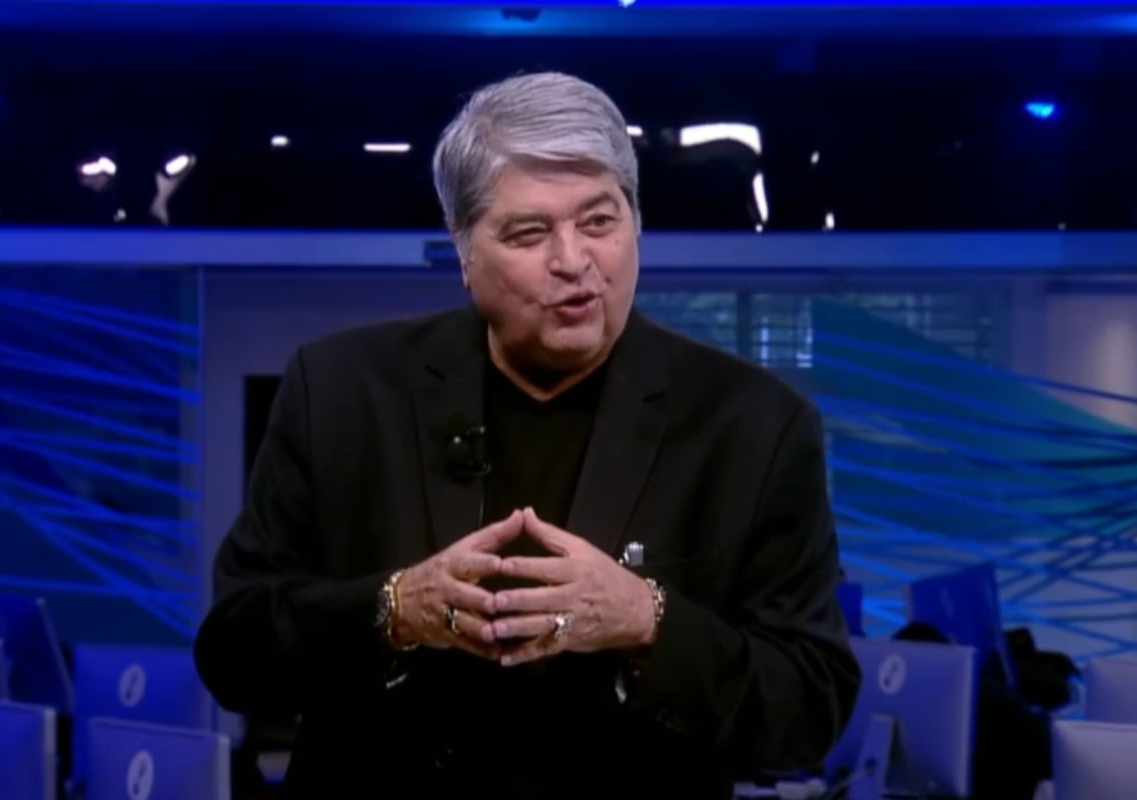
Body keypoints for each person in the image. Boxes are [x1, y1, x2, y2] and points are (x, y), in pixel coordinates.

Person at [194, 71, 860, 799]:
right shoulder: (340, 393)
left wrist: (647, 621)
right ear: (464, 252)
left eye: (598, 222)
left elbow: (810, 706)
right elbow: (233, 651)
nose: (573, 262)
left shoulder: (754, 425)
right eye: (530, 232)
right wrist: (395, 609)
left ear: (636, 223)